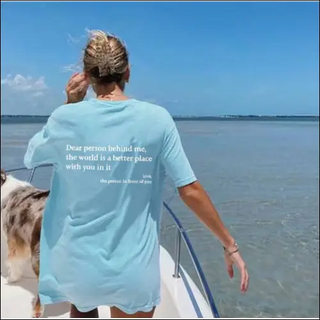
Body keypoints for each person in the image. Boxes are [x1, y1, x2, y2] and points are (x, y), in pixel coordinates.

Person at [24, 30, 249, 318]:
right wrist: (229, 244)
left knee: (81, 306)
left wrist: (70, 106)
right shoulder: (157, 120)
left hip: (78, 266)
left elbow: (33, 156)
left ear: (86, 75)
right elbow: (189, 189)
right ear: (127, 72)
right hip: (132, 271)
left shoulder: (65, 118)